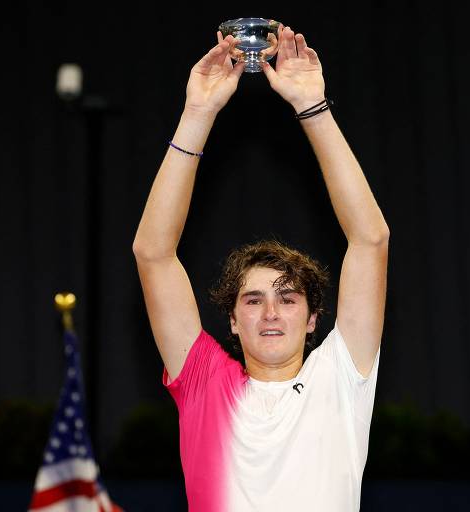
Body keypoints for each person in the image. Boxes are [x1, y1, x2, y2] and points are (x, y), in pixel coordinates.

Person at [132, 25, 389, 512]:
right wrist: (197, 113)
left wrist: (313, 108)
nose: (271, 311)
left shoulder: (339, 376)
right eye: (253, 300)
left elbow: (370, 240)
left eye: (288, 298)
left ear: (314, 320)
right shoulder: (204, 381)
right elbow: (153, 253)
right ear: (232, 319)